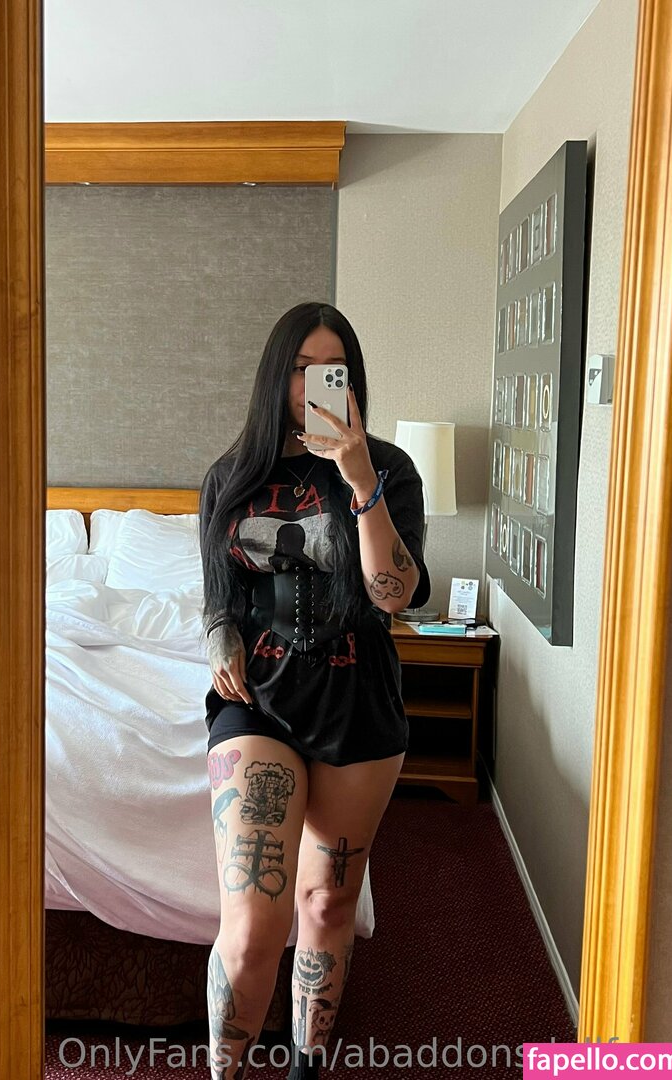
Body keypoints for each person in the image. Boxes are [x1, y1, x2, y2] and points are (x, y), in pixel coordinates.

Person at [199, 302, 431, 1080]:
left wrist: (360, 479)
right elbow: (218, 595)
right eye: (301, 369)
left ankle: (307, 1072)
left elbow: (395, 594)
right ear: (277, 375)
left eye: (332, 370)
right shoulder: (231, 476)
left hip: (356, 698)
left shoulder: (391, 469)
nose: (314, 385)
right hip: (257, 702)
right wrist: (217, 637)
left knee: (328, 904)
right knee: (251, 926)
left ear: (352, 381)